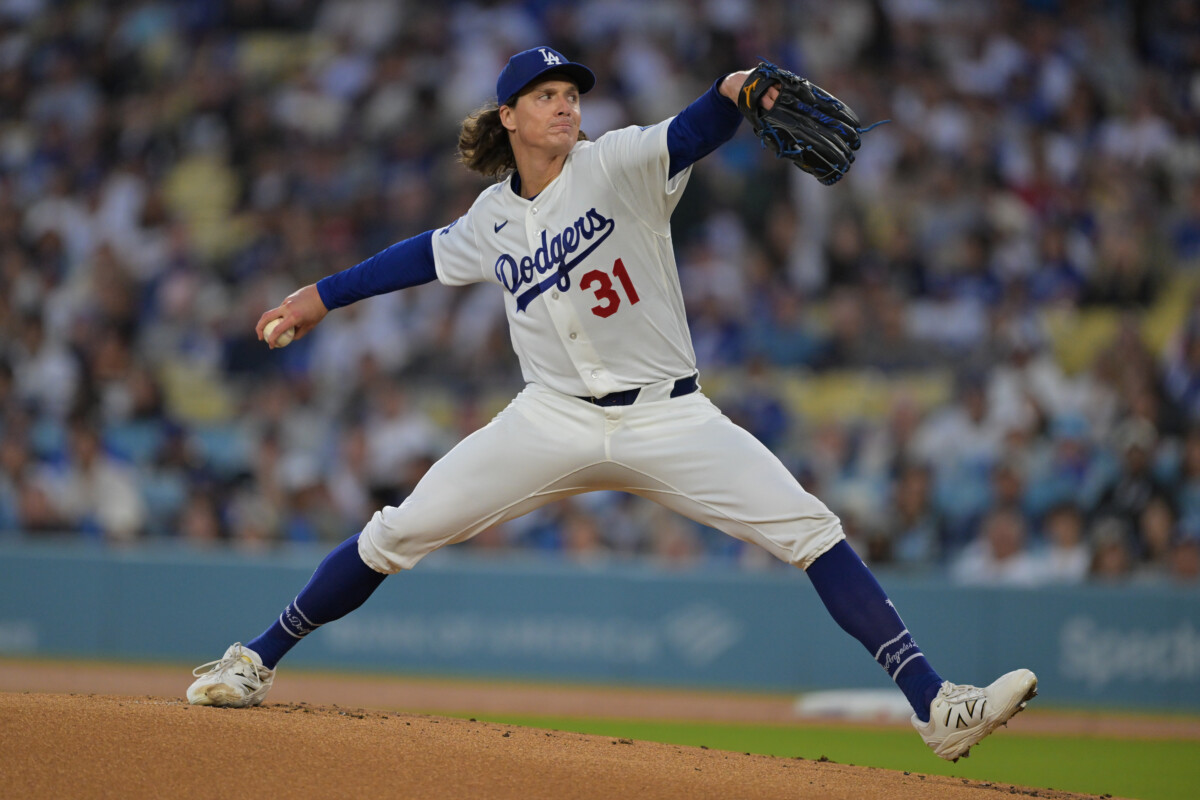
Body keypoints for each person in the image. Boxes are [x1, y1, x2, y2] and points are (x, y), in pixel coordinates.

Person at [186, 46, 1037, 762]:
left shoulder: (621, 160)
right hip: (550, 418)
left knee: (810, 528)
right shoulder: (492, 218)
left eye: (570, 94)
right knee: (396, 532)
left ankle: (936, 706)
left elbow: (700, 124)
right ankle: (253, 661)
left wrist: (739, 89)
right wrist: (317, 299)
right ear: (508, 117)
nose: (565, 106)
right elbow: (417, 257)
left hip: (671, 416)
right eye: (546, 96)